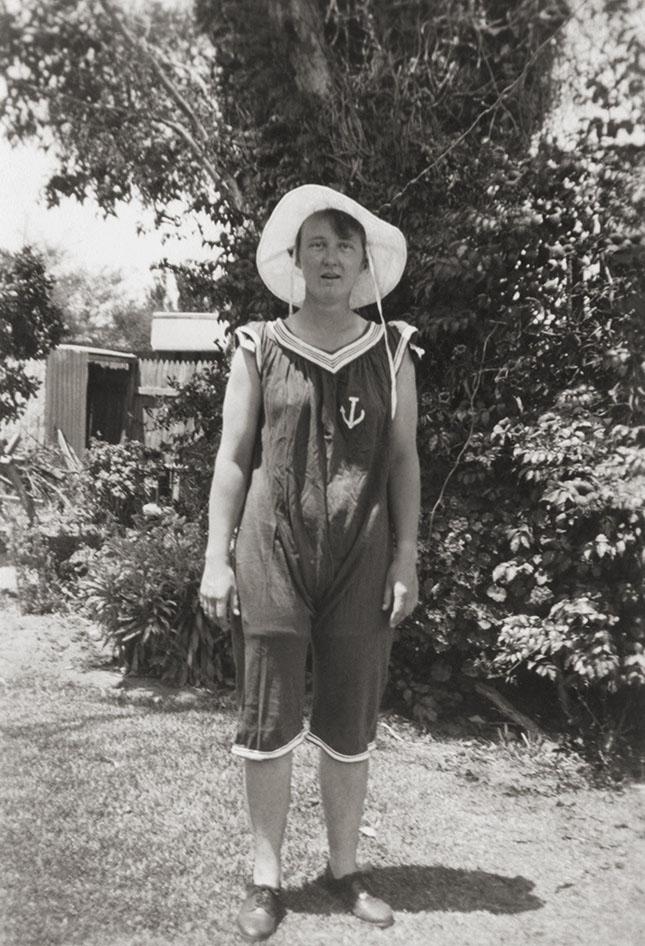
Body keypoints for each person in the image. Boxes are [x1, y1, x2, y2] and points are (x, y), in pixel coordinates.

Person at [199, 184, 421, 942]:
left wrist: (405, 555)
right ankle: (265, 878)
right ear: (294, 259)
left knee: (350, 718)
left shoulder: (392, 350)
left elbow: (402, 459)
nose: (329, 258)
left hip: (363, 552)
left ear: (363, 262)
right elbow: (233, 459)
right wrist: (216, 557)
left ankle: (343, 868)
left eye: (343, 245)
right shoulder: (257, 345)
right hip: (272, 549)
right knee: (267, 715)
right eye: (316, 244)